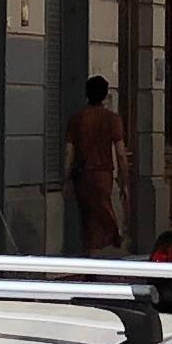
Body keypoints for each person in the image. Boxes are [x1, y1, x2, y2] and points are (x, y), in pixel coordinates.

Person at [63, 76, 131, 254]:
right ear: (105, 95)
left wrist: (66, 179)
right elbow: (121, 154)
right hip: (103, 175)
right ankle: (112, 237)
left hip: (82, 176)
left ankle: (92, 252)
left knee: (87, 217)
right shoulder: (112, 119)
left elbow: (69, 152)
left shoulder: (76, 119)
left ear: (86, 93)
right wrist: (124, 181)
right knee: (102, 211)